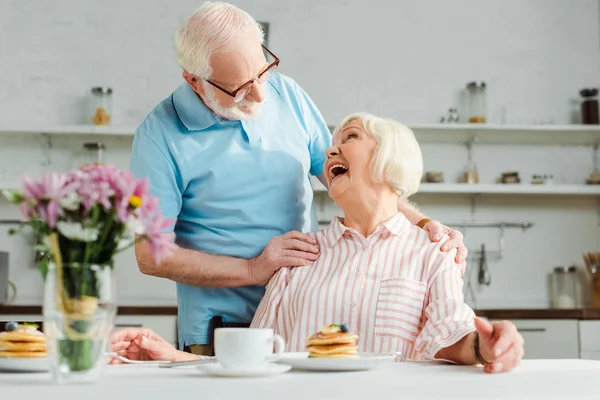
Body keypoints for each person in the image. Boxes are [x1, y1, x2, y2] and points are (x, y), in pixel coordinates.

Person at [129, 1, 468, 357]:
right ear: (194, 81)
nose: (261, 94)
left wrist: (428, 225)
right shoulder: (158, 137)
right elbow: (151, 255)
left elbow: (358, 179)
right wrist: (253, 268)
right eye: (240, 89)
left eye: (262, 73)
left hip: (302, 309)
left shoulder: (286, 93)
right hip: (223, 326)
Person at [112, 113, 523, 373]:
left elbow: (450, 335)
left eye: (352, 136)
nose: (330, 148)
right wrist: (169, 356)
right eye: (332, 141)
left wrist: (485, 346)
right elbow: (255, 363)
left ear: (389, 160)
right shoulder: (298, 255)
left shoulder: (432, 252)